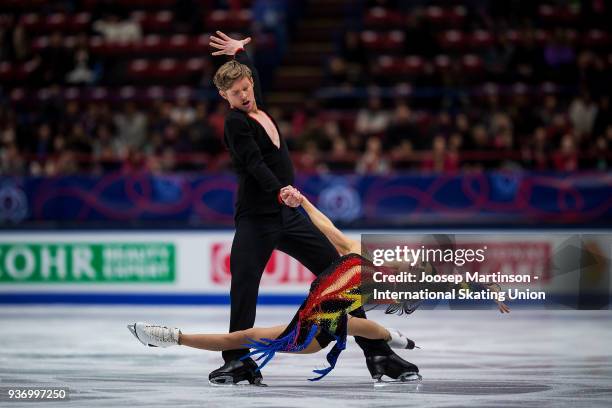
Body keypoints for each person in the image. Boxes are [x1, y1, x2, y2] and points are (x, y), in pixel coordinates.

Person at [205, 31, 423, 385]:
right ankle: (238, 360)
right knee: (244, 287)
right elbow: (255, 164)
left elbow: (251, 74)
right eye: (235, 93)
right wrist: (280, 192)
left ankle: (379, 353)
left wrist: (241, 52)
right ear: (223, 96)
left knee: (339, 278)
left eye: (246, 88)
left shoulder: (254, 101)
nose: (244, 96)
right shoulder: (235, 123)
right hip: (256, 220)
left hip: (288, 217)